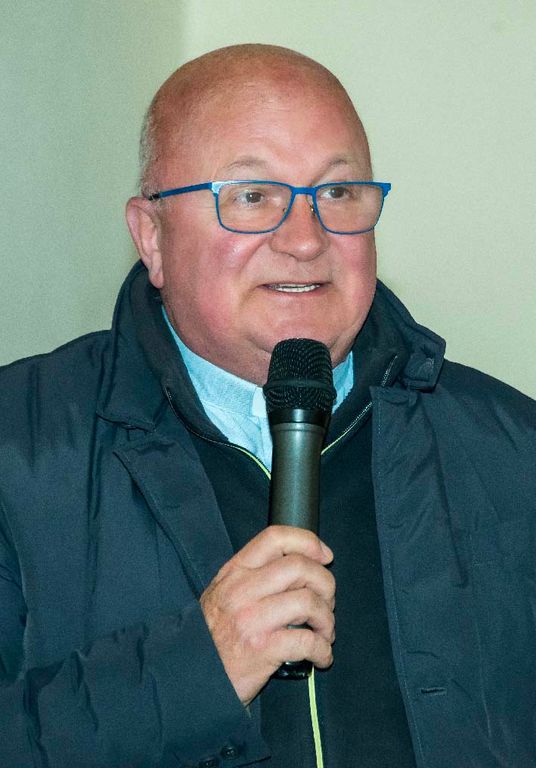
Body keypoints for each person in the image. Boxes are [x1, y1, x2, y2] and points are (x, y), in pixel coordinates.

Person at [0, 43, 534, 768]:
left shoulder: (511, 448)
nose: (306, 240)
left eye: (337, 193)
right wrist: (193, 671)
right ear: (152, 237)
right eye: (252, 196)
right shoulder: (20, 447)